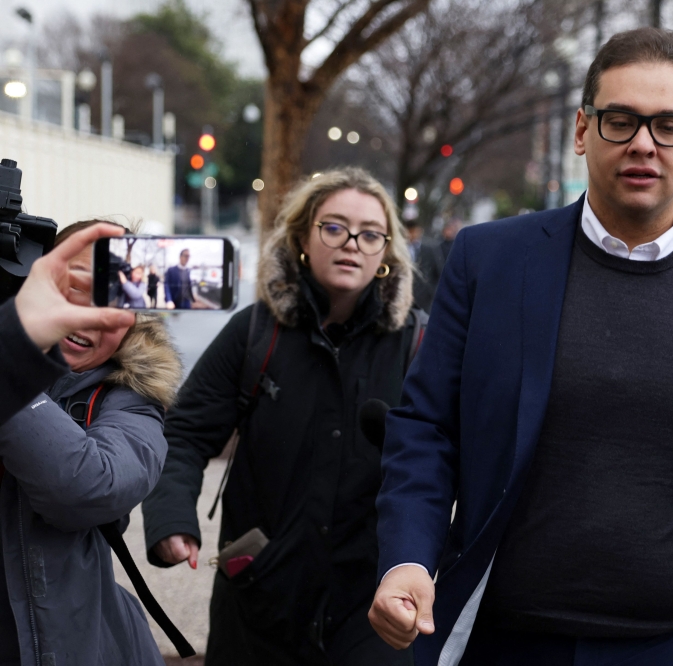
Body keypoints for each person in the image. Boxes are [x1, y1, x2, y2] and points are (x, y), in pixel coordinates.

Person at [370, 28, 673, 666]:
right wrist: (407, 559)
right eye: (620, 120)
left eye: (668, 124)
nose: (643, 143)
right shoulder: (490, 261)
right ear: (583, 131)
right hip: (509, 639)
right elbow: (425, 426)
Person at [142, 167, 424, 666]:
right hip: (259, 598)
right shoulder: (254, 332)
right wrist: (171, 516)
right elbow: (183, 432)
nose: (351, 243)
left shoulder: (419, 343)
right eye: (333, 227)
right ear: (301, 238)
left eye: (370, 233)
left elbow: (449, 460)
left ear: (386, 252)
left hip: (371, 608)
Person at [0, 219, 181, 665]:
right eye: (75, 285)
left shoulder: (133, 399)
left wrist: (9, 363)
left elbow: (89, 488)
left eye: (116, 296)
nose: (89, 314)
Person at [0, 223, 135, 425]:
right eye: (77, 286)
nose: (89, 316)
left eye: (115, 301)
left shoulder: (137, 400)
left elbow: (98, 459)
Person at [404, 219, 444, 312]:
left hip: (424, 299)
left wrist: (431, 292)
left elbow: (439, 271)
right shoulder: (399, 248)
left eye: (414, 231)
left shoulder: (430, 248)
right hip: (404, 297)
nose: (411, 235)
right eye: (409, 232)